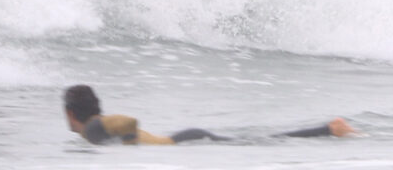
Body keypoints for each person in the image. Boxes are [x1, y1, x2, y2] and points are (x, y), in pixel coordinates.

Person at [63, 84, 356, 145]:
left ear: (69, 113)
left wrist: (127, 149)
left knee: (262, 142)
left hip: (187, 143)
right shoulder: (96, 130)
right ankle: (329, 129)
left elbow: (129, 122)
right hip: (188, 141)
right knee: (259, 141)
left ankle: (330, 128)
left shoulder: (93, 129)